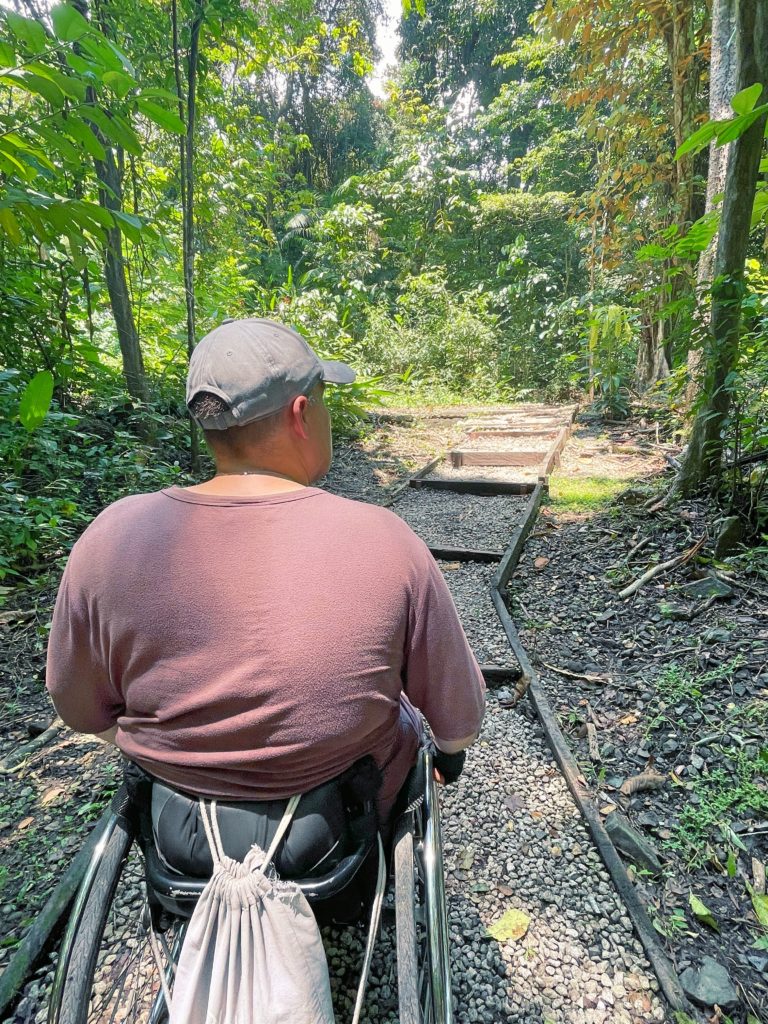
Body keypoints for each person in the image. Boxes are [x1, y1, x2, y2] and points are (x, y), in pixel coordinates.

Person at [46, 318, 485, 851]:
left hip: (178, 830)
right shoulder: (386, 538)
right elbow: (458, 719)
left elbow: (75, 704)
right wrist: (451, 755)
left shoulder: (109, 536)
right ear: (302, 414)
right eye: (325, 400)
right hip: (340, 824)